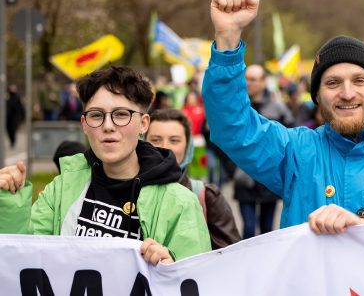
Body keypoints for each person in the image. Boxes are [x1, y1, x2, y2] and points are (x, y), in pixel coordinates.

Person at [202, 0, 364, 234]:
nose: (347, 93)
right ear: (317, 97)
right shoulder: (295, 152)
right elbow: (232, 125)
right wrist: (227, 40)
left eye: (359, 80)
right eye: (333, 83)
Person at [0, 66, 210, 264]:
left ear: (143, 124)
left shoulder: (181, 204)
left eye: (121, 115)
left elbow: (197, 280)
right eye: (96, 115)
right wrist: (10, 203)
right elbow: (22, 260)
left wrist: (171, 267)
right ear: (84, 124)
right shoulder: (61, 189)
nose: (108, 126)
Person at [146, 108, 240, 249]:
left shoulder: (207, 197)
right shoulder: (130, 191)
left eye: (174, 140)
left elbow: (231, 257)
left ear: (188, 146)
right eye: (155, 140)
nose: (165, 147)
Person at [235, 64, 294, 237]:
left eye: (253, 79)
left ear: (263, 82)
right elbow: (218, 138)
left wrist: (279, 166)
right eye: (246, 79)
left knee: (267, 231)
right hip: (243, 179)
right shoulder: (237, 107)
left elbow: (290, 139)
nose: (248, 83)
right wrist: (232, 168)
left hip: (270, 180)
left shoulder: (278, 108)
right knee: (248, 229)